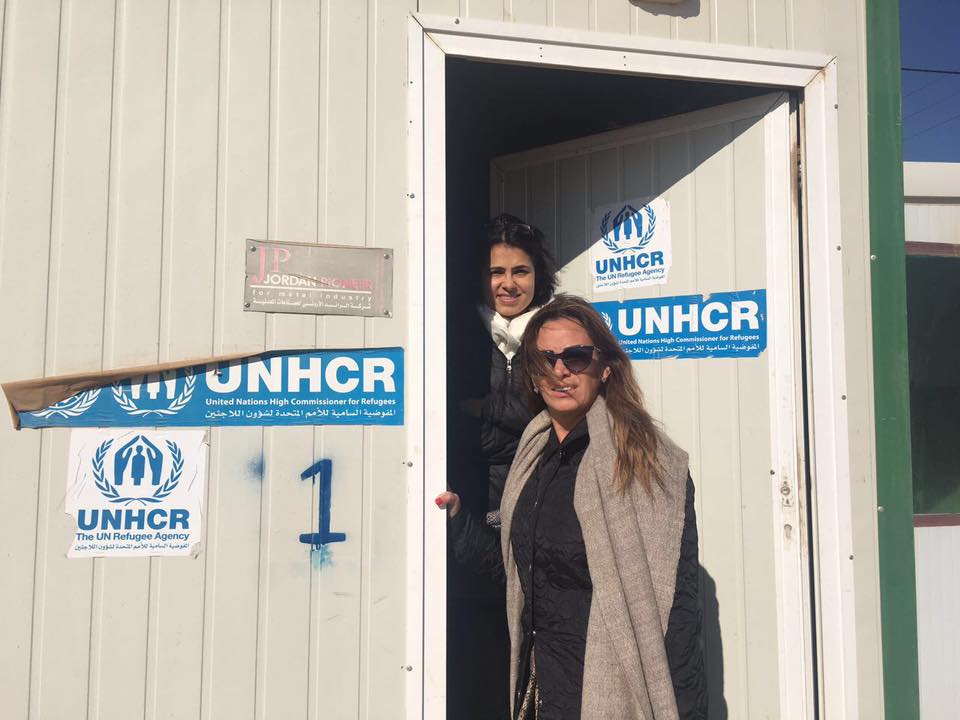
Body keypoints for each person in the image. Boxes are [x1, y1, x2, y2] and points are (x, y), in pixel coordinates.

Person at [439, 294, 706, 719]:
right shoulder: (532, 454)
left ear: (605, 367)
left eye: (576, 357)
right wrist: (459, 524)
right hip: (541, 688)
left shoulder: (644, 463)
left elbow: (675, 610)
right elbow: (521, 571)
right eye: (544, 360)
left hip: (607, 695)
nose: (559, 371)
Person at [444, 214, 558, 719]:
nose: (509, 284)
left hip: (541, 509)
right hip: (477, 510)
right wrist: (509, 424)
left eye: (521, 271)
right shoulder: (461, 335)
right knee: (483, 647)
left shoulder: (556, 333)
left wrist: (483, 409)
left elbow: (558, 413)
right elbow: (451, 423)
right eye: (497, 272)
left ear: (539, 277)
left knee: (544, 646)